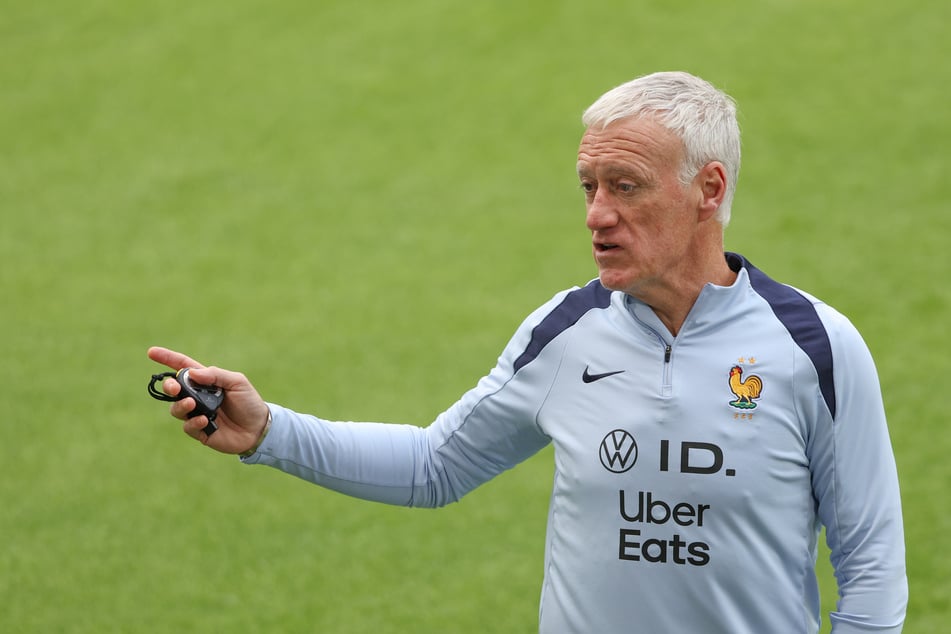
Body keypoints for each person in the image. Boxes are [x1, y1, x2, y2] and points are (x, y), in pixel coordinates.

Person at [148, 71, 907, 633]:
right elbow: (433, 465)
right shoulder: (567, 331)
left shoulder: (814, 348)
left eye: (624, 186)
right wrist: (270, 431)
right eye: (586, 186)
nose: (596, 215)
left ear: (708, 190)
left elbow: (871, 567)